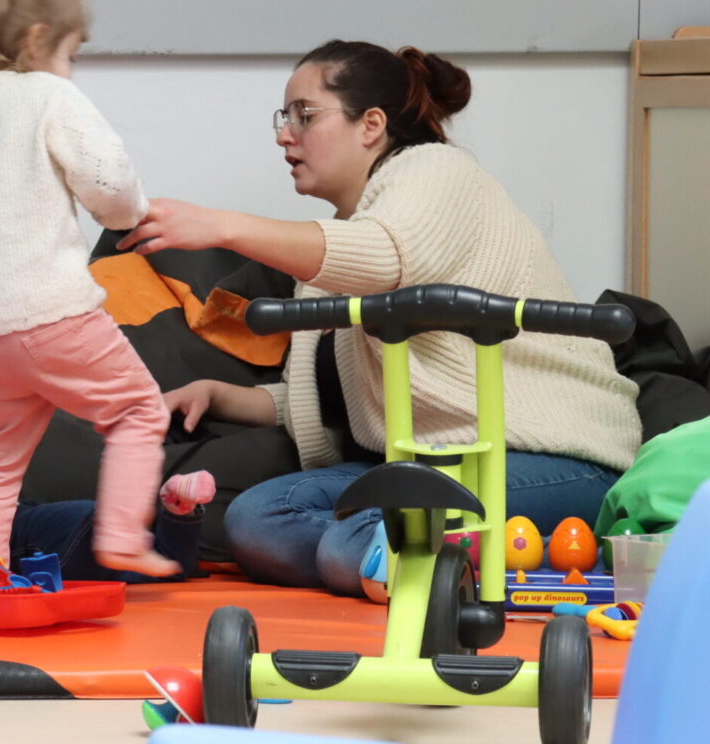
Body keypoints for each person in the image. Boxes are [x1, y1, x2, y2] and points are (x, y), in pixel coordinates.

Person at [123, 41, 641, 597]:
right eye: (284, 118)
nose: (284, 134)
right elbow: (343, 400)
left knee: (357, 539)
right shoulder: (336, 245)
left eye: (305, 115)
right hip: (431, 468)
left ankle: (399, 568)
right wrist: (220, 395)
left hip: (551, 461)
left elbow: (386, 256)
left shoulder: (436, 171)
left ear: (370, 125)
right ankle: (418, 570)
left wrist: (221, 226)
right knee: (257, 520)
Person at [0, 0, 186, 575]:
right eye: (69, 53)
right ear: (37, 41)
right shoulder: (47, 96)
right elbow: (107, 184)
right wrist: (131, 211)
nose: (70, 68)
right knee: (136, 413)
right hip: (52, 313)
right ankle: (122, 536)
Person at [0, 423, 213, 582]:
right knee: (167, 568)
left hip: (55, 537)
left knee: (68, 561)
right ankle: (177, 508)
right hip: (78, 540)